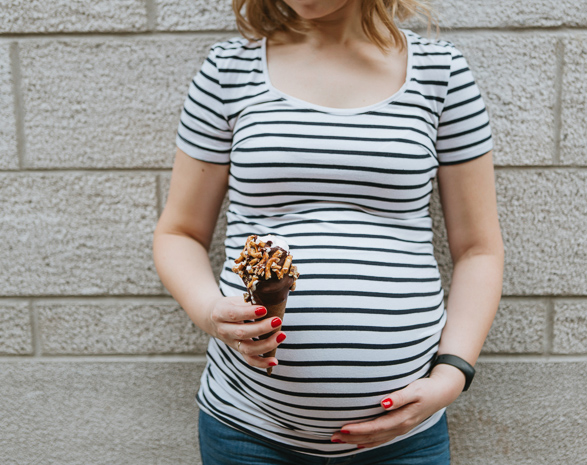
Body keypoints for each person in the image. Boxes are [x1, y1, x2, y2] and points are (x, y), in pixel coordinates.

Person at [152, 0, 504, 463]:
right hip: (248, 427)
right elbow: (179, 233)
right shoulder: (228, 71)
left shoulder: (440, 73)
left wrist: (453, 374)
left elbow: (479, 249)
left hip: (405, 440)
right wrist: (209, 311)